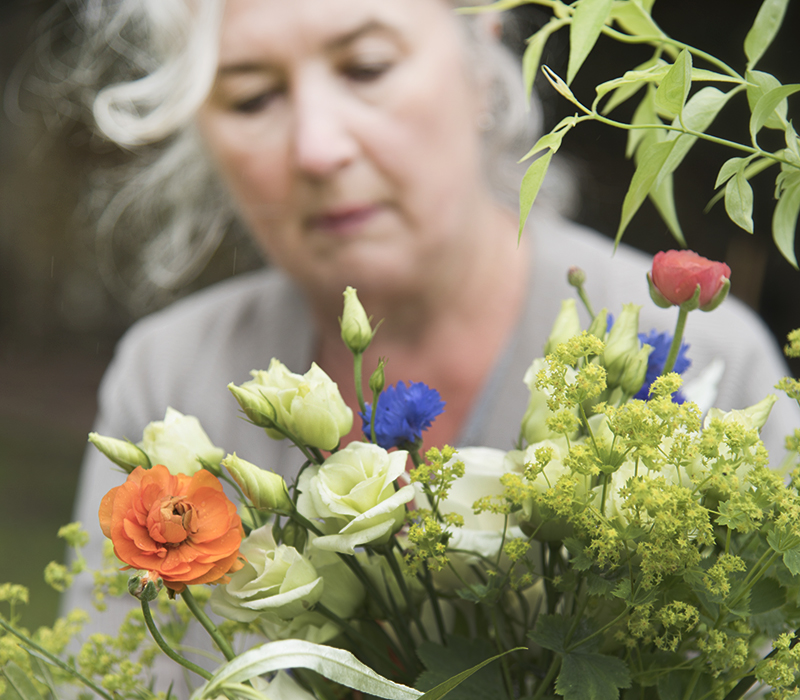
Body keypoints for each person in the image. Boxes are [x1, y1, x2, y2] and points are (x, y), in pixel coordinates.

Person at [56, 0, 797, 694]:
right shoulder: (172, 380)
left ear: (482, 55)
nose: (317, 147)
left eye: (366, 68)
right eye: (252, 97)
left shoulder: (700, 363)